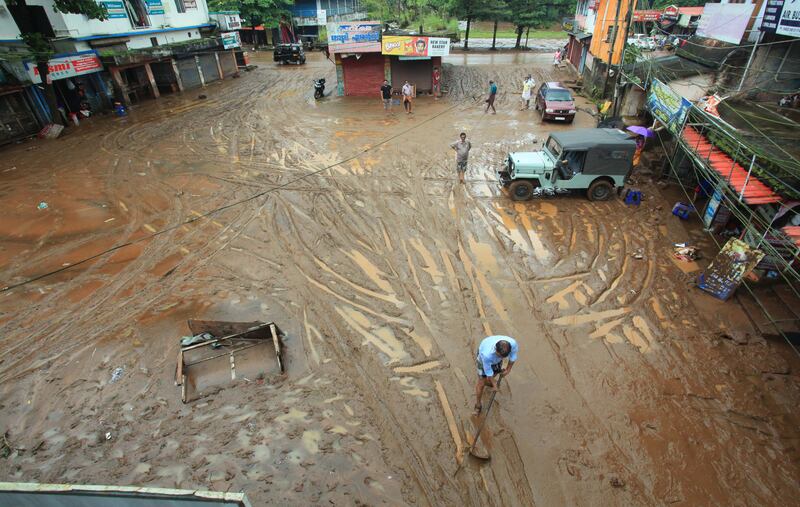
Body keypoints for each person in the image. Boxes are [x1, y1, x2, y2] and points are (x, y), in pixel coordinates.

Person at [474, 335, 518, 415]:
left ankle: (489, 382)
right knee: (481, 383)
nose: (500, 357)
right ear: (495, 350)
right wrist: (494, 384)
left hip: (495, 359)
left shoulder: (513, 344)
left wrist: (508, 369)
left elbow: (513, 356)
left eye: (502, 357)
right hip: (483, 359)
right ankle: (478, 404)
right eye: (498, 355)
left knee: (494, 373)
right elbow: (488, 371)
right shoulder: (486, 354)